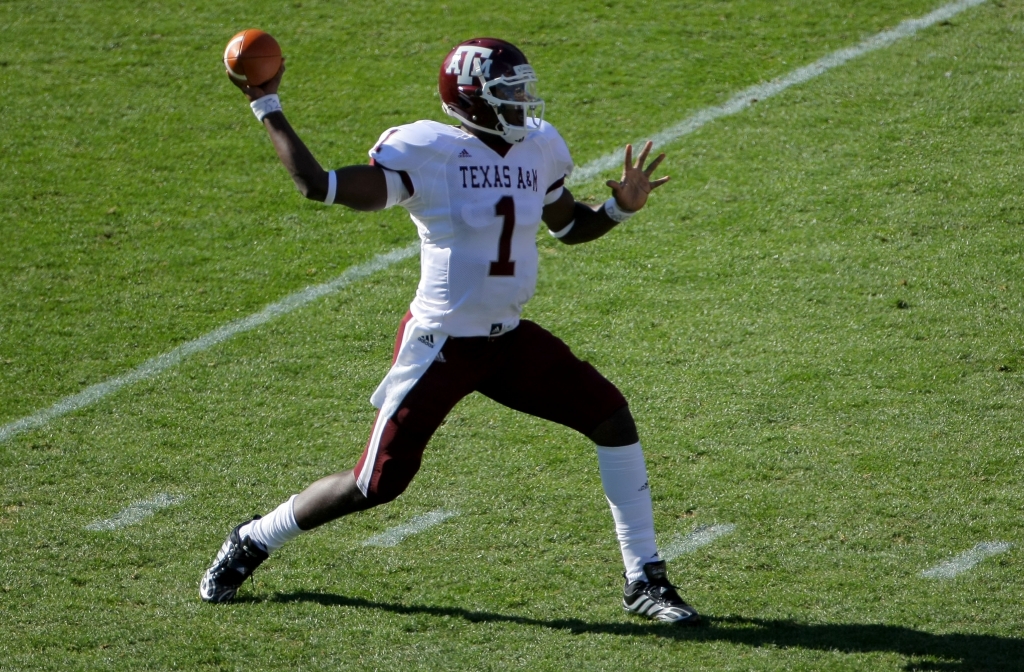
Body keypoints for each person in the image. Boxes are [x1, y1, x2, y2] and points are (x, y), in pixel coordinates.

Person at [200, 37, 699, 625]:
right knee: (375, 484)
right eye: (508, 94)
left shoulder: (538, 147)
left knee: (611, 417)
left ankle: (645, 579)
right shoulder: (429, 151)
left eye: (522, 91)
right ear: (472, 100)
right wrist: (268, 106)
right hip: (441, 345)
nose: (523, 104)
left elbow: (568, 228)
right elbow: (320, 185)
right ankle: (256, 537)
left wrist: (619, 210)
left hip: (508, 339)